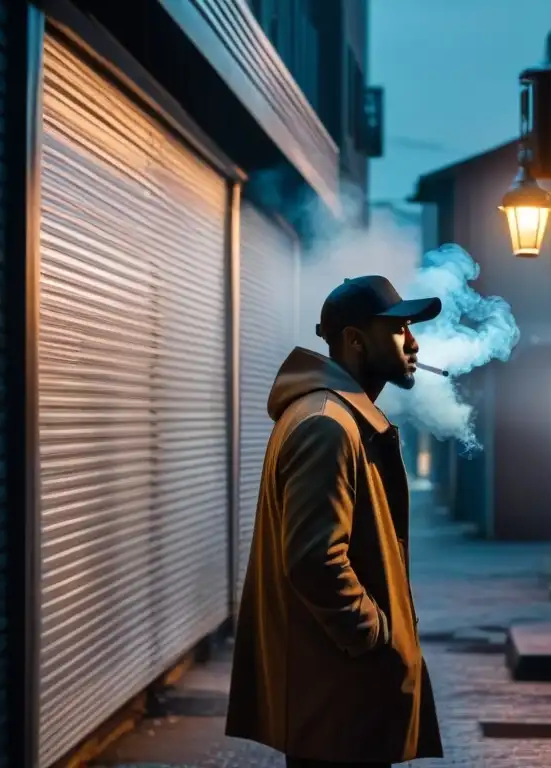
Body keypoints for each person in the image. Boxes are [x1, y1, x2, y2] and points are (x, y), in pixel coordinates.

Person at [225, 276, 445, 767]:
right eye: (399, 328)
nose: (413, 342)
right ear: (354, 340)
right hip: (338, 696)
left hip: (339, 694)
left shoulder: (339, 418)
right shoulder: (328, 424)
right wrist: (374, 636)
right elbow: (314, 560)